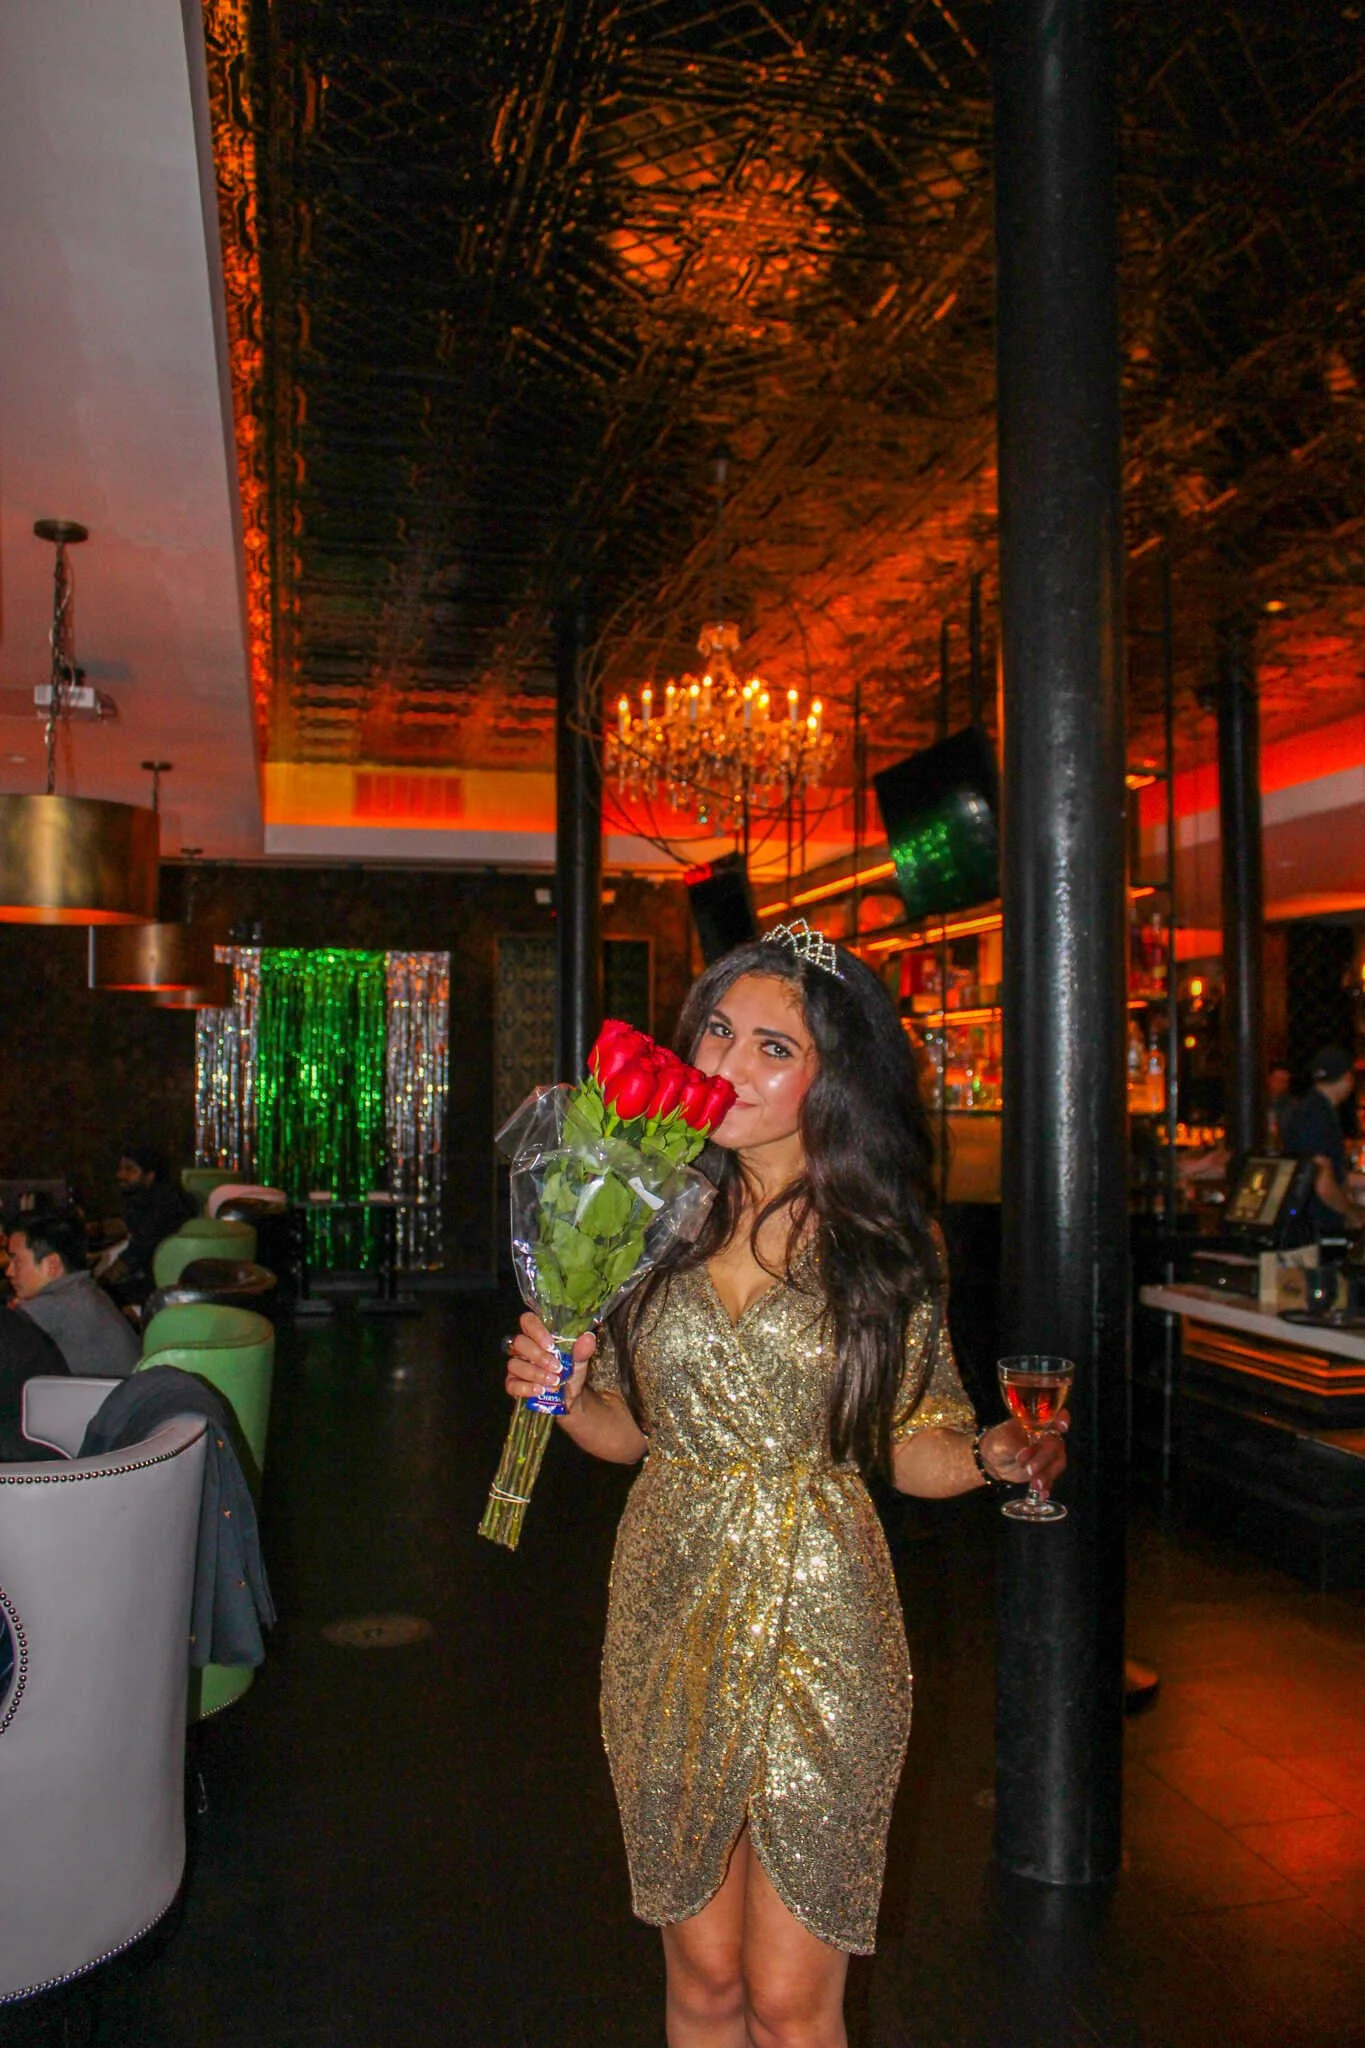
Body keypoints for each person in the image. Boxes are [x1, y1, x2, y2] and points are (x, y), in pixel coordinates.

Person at [505, 922, 1068, 2047]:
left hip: (826, 1614)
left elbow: (909, 1440)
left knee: (790, 1999)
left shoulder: (887, 1242)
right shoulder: (642, 1213)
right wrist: (557, 1396)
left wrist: (994, 1453)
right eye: (717, 1031)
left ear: (833, 1078)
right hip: (668, 1600)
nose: (727, 1065)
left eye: (774, 1047)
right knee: (705, 1979)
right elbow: (629, 1435)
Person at [7, 1210, 140, 1376]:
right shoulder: (84, 1292)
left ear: (52, 1265)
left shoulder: (55, 1307)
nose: (9, 1271)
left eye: (17, 1261)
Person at [1280, 1044, 1364, 1240]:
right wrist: (1351, 1212)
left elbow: (1332, 1171)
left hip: (1310, 1222)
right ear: (1347, 1078)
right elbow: (1322, 1182)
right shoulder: (1318, 1115)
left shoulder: (1311, 1108)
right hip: (1317, 1226)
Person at [114, 1139, 193, 1298]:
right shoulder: (152, 1197)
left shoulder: (162, 1206)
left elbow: (133, 1257)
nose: (120, 1175)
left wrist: (97, 1284)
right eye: (120, 1169)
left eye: (129, 1170)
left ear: (150, 1175)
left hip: (160, 1290)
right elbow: (127, 1225)